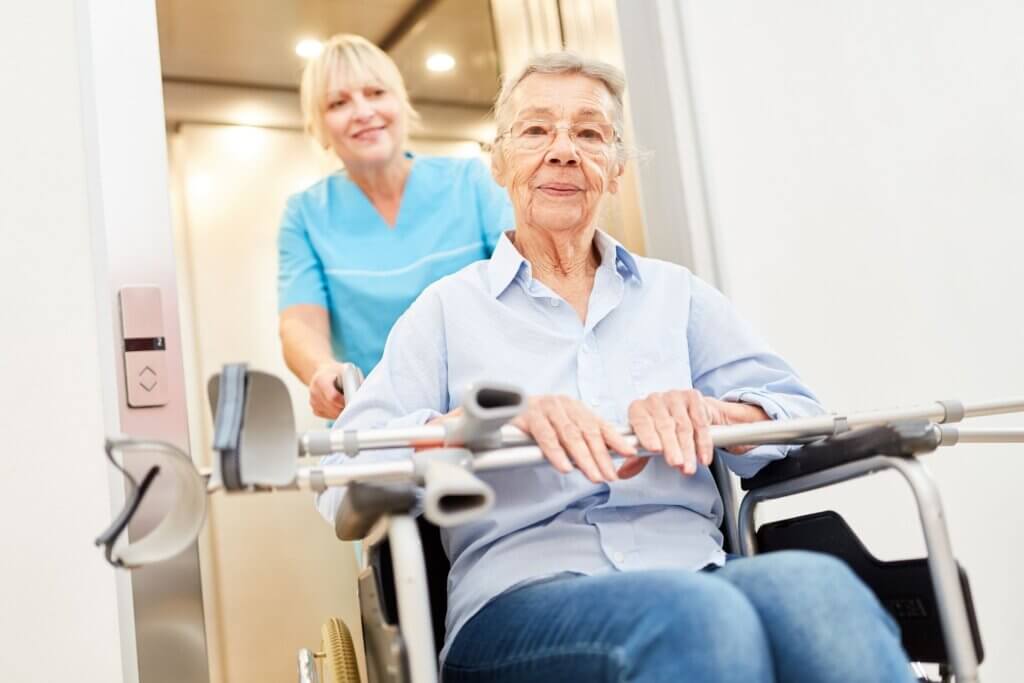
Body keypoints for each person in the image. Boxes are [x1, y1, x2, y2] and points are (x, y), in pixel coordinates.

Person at [320, 52, 916, 682]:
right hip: (520, 600)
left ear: (617, 167)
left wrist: (713, 412)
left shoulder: (675, 296)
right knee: (694, 617)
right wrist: (478, 427)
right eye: (535, 130)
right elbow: (343, 478)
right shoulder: (445, 311)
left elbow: (802, 416)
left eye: (588, 133)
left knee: (824, 593)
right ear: (498, 160)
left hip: (695, 568)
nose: (562, 151)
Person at [277, 34, 513, 420]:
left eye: (375, 92)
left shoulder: (471, 182)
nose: (362, 112)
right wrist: (321, 369)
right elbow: (299, 322)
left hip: (482, 412)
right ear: (318, 124)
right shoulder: (305, 214)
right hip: (379, 423)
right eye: (338, 103)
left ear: (401, 102)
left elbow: (529, 282)